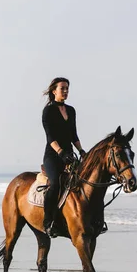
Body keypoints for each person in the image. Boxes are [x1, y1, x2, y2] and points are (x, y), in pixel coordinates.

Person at [41, 77, 87, 237]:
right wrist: (60, 152)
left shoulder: (71, 110)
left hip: (70, 155)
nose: (66, 91)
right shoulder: (48, 111)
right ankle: (48, 223)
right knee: (55, 184)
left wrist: (81, 151)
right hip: (53, 156)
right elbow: (50, 136)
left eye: (67, 88)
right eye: (63, 88)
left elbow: (74, 135)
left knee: (84, 182)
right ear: (54, 91)